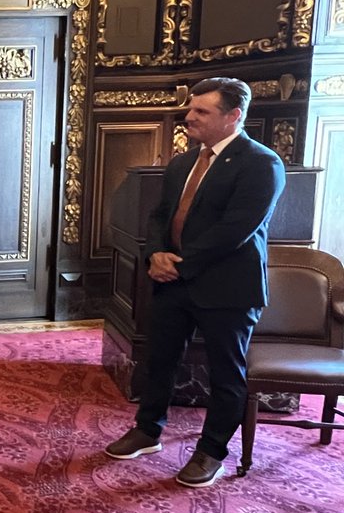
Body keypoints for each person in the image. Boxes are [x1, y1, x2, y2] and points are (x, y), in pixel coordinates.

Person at [105, 77, 286, 487]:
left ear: (232, 116)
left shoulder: (261, 163)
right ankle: (148, 430)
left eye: (201, 111)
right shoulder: (184, 161)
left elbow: (235, 230)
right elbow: (159, 215)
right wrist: (155, 254)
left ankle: (211, 452)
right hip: (173, 282)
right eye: (191, 109)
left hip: (227, 289)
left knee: (226, 374)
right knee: (160, 359)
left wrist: (179, 264)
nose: (189, 117)